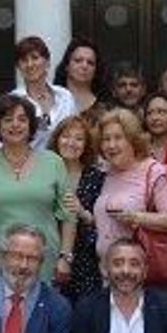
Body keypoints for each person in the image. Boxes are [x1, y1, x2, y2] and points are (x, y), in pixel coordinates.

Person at [0, 94, 75, 281]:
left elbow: (68, 213)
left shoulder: (53, 162)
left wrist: (65, 257)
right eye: (8, 119)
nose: (15, 125)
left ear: (31, 125)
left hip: (44, 262)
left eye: (22, 119)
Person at [93, 108, 167, 272]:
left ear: (133, 140)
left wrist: (138, 217)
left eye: (118, 138)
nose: (111, 145)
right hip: (107, 271)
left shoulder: (153, 171)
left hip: (143, 274)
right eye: (106, 139)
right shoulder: (105, 172)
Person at [50, 115, 106, 300]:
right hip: (46, 253)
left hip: (85, 260)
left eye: (79, 138)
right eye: (66, 136)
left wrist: (82, 212)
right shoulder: (43, 171)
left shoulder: (96, 176)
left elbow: (103, 223)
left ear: (86, 145)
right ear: (57, 138)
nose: (71, 143)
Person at [11, 35, 75, 149]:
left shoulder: (65, 96)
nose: (30, 64)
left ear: (47, 62)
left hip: (63, 164)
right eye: (24, 60)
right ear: (18, 67)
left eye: (35, 58)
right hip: (26, 165)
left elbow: (76, 132)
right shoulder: (12, 99)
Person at [54, 38, 108, 119]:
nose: (84, 66)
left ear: (96, 70)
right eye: (78, 60)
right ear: (67, 66)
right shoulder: (52, 102)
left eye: (90, 63)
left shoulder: (106, 107)